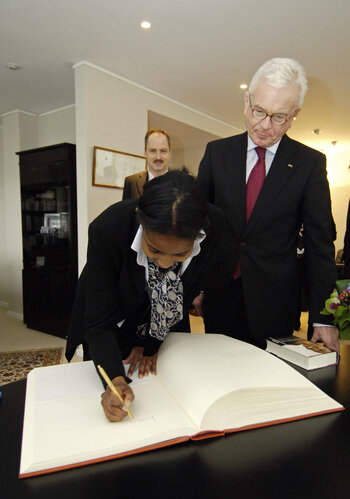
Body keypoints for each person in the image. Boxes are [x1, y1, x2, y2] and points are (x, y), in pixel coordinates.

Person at [196, 57, 340, 353]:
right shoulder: (216, 153)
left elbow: (319, 244)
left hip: (275, 301)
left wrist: (324, 317)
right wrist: (195, 286)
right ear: (246, 101)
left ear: (295, 114)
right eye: (258, 110)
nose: (264, 126)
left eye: (279, 117)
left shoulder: (309, 164)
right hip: (220, 293)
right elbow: (198, 226)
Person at [66, 169, 224, 422]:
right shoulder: (108, 228)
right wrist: (115, 380)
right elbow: (99, 318)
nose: (164, 264)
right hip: (114, 312)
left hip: (167, 319)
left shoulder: (215, 227)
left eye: (180, 255)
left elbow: (190, 288)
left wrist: (151, 340)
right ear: (140, 220)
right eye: (154, 250)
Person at [122, 129, 171, 199]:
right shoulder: (131, 182)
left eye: (163, 151)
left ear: (169, 153)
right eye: (153, 151)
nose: (158, 157)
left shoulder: (182, 184)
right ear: (145, 152)